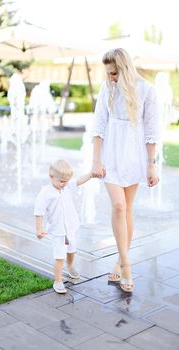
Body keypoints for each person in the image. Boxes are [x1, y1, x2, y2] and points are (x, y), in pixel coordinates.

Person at [92, 48, 159, 293]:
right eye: (108, 73)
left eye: (113, 73)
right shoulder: (106, 89)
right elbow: (99, 124)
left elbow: (152, 130)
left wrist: (152, 163)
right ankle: (128, 265)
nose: (110, 78)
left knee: (128, 208)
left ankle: (120, 261)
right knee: (118, 206)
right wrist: (95, 161)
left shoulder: (147, 90)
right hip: (111, 154)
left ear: (124, 69)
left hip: (134, 155)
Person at [34, 159, 92, 294]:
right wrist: (39, 229)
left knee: (72, 250)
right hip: (57, 231)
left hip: (70, 227)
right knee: (59, 256)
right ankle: (58, 280)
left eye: (66, 181)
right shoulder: (45, 193)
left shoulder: (66, 186)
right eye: (61, 181)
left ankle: (70, 265)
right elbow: (39, 212)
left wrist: (91, 174)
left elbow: (79, 181)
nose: (64, 184)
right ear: (51, 176)